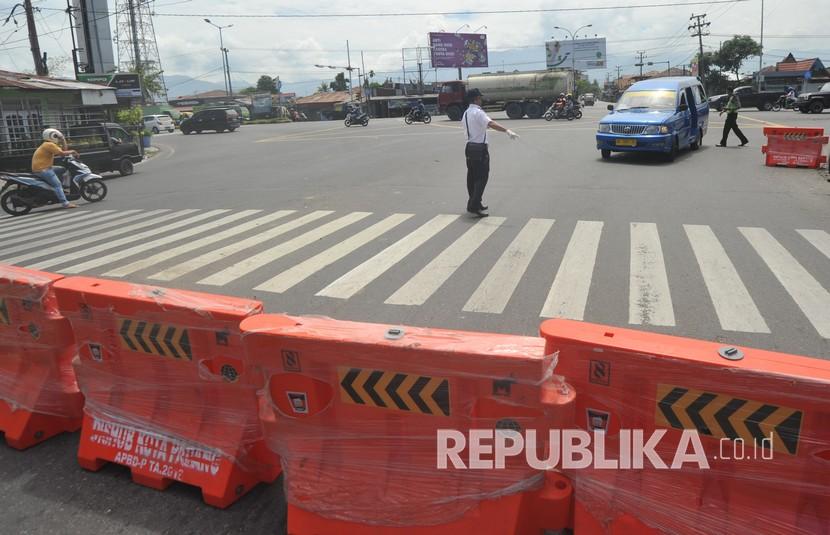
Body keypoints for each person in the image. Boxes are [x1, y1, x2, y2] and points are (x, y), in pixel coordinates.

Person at [461, 88, 518, 217]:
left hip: (469, 147)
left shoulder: (465, 113)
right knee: (482, 178)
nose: (481, 100)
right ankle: (474, 206)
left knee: (472, 177)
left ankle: (474, 202)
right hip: (480, 148)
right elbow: (490, 123)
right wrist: (507, 131)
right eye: (480, 98)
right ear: (476, 99)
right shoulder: (478, 112)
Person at [31, 128, 78, 208]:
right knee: (57, 185)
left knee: (62, 169)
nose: (58, 137)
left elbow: (63, 150)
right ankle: (65, 203)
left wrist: (63, 140)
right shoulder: (49, 145)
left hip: (44, 167)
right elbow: (63, 153)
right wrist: (73, 151)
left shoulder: (48, 144)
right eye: (56, 136)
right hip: (43, 169)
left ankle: (59, 189)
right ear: (51, 136)